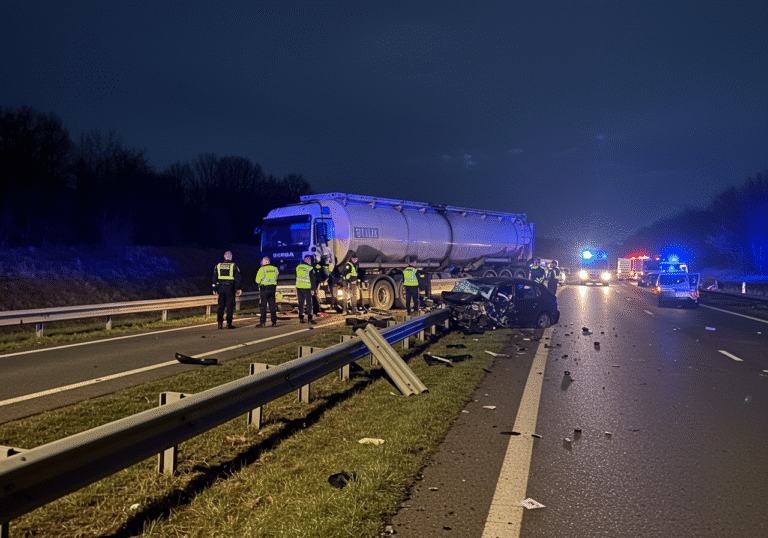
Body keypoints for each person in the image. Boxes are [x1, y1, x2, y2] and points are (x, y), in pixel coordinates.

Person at [212, 251, 242, 329]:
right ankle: (229, 324)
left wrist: (214, 288)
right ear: (231, 257)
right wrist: (238, 288)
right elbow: (238, 278)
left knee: (221, 306)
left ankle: (220, 323)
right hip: (230, 288)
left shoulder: (218, 266)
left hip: (221, 288)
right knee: (230, 306)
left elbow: (214, 278)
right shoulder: (233, 266)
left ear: (224, 257)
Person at [255, 256, 279, 327]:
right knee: (272, 306)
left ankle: (263, 322)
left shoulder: (262, 269)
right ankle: (274, 322)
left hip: (264, 289)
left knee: (263, 306)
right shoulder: (275, 269)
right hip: (272, 289)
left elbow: (257, 280)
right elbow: (277, 277)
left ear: (264, 261)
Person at [295, 255, 317, 324]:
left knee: (301, 303)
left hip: (299, 287)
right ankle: (310, 318)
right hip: (307, 288)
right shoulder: (310, 268)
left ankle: (301, 318)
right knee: (309, 303)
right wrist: (313, 289)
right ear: (308, 260)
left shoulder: (298, 267)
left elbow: (296, 276)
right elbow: (313, 279)